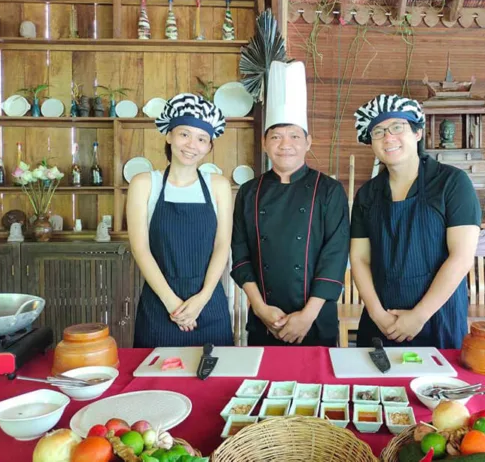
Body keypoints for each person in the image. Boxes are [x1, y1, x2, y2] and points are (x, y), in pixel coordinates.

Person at [231, 61, 349, 346]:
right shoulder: (249, 192)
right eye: (276, 136)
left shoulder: (329, 190)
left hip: (316, 320)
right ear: (264, 143)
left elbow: (335, 258)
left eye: (295, 136)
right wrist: (260, 309)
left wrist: (306, 316)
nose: (286, 144)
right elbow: (241, 255)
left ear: (308, 142)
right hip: (264, 319)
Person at [350, 94, 481, 348]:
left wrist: (418, 316)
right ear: (371, 142)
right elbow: (359, 258)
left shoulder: (452, 184)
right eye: (378, 131)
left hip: (438, 321)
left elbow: (461, 257)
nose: (388, 137)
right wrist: (378, 314)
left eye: (397, 127)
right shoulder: (367, 194)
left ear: (417, 133)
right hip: (380, 322)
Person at [128, 93, 234, 347]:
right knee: (155, 379)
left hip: (209, 303)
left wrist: (202, 298)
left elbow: (222, 246)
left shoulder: (218, 186)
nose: (191, 145)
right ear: (169, 135)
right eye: (184, 134)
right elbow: (140, 249)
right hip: (160, 304)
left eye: (201, 138)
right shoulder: (144, 183)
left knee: (216, 380)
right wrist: (172, 304)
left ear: (209, 146)